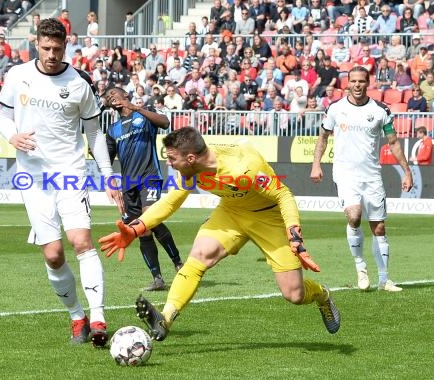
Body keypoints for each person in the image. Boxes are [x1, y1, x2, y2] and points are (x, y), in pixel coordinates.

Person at [99, 127, 341, 341]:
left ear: (191, 158)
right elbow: (171, 202)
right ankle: (165, 318)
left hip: (269, 217)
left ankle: (322, 295)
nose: (169, 163)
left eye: (172, 159)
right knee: (198, 258)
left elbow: (283, 194)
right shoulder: (191, 169)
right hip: (231, 211)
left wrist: (294, 235)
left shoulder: (244, 167)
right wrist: (135, 228)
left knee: (294, 294)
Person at [0, 17, 124, 347]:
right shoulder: (17, 76)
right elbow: (4, 116)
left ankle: (98, 318)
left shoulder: (80, 83)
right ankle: (76, 317)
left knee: (81, 241)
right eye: (47, 48)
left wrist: (109, 176)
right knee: (53, 254)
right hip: (34, 177)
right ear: (37, 44)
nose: (52, 54)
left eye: (58, 48)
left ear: (66, 47)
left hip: (70, 171)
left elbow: (94, 133)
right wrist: (12, 137)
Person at [311, 66, 413, 292]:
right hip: (346, 174)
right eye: (353, 81)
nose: (357, 85)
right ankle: (361, 267)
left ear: (368, 83)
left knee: (379, 228)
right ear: (347, 83)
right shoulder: (336, 108)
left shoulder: (380, 110)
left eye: (361, 81)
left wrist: (407, 172)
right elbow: (323, 137)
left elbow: (394, 142)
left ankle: (384, 279)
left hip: (372, 176)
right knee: (355, 217)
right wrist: (316, 164)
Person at [104, 87, 183, 291]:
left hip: (149, 177)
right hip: (128, 185)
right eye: (108, 96)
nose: (111, 96)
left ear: (125, 96)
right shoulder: (113, 129)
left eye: (115, 93)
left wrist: (134, 107)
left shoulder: (144, 116)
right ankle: (158, 278)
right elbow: (106, 159)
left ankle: (178, 263)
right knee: (143, 230)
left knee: (149, 218)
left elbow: (165, 122)